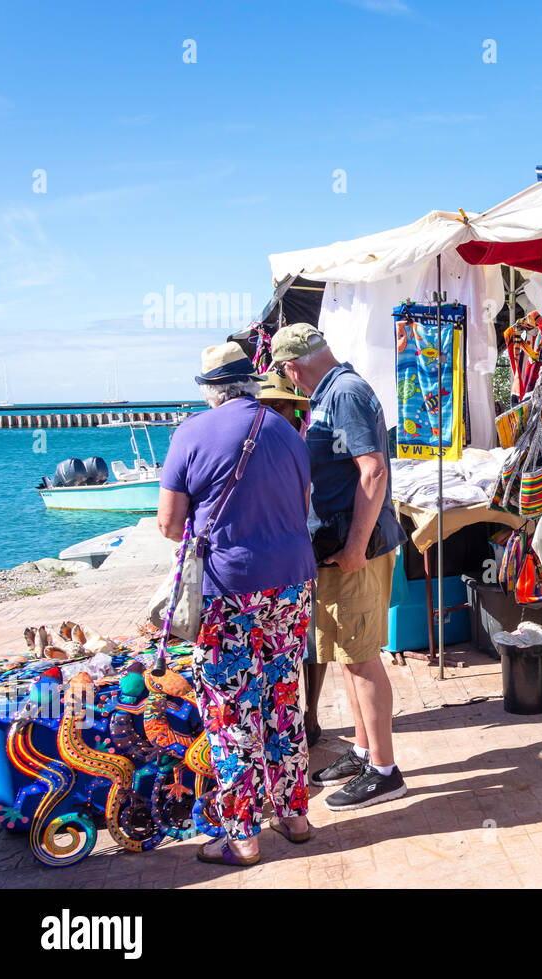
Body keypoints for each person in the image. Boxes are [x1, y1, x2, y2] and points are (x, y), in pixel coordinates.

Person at [157, 342, 319, 866]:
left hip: (229, 590)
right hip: (292, 586)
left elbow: (168, 525)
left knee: (232, 714)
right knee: (282, 700)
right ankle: (295, 816)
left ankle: (242, 836)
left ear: (209, 390)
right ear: (251, 382)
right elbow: (299, 509)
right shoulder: (289, 434)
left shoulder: (192, 433)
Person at [270, 323, 408, 811]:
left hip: (356, 552)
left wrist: (355, 546)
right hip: (338, 548)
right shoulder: (331, 393)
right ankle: (364, 751)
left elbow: (373, 471)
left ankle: (385, 771)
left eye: (287, 376)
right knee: (349, 653)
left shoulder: (344, 393)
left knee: (362, 655)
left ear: (292, 367)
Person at [257, 370, 325, 745]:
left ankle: (310, 716)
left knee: (311, 641)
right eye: (266, 404)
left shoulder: (306, 442)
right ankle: (284, 719)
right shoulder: (256, 446)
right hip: (282, 557)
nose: (272, 411)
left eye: (280, 404)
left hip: (305, 550)